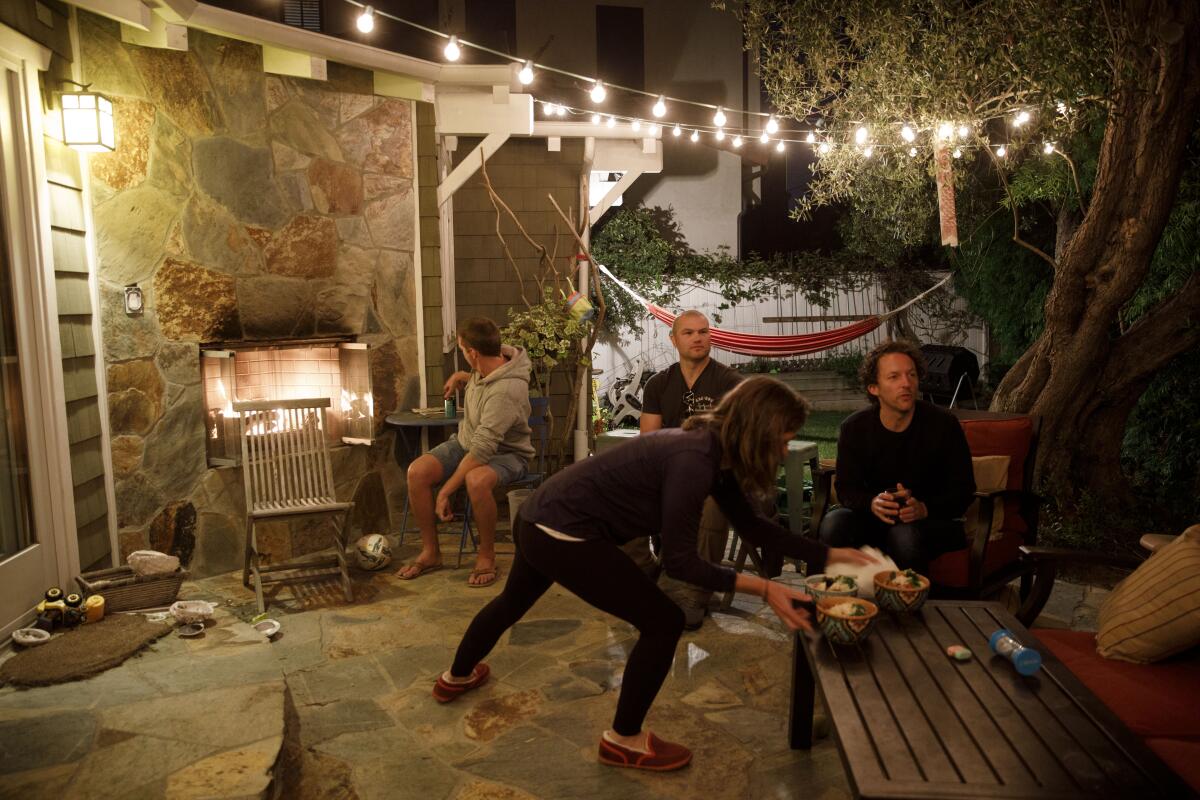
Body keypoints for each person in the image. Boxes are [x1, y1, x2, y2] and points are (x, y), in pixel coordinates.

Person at [431, 377, 874, 771]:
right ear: (759, 429)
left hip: (539, 517)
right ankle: (623, 740)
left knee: (513, 603)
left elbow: (754, 527)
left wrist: (832, 554)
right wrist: (764, 587)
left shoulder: (712, 448)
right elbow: (681, 563)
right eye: (783, 439)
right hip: (562, 531)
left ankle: (455, 678)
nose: (783, 449)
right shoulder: (694, 459)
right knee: (664, 622)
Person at [398, 317, 535, 587]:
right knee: (417, 472)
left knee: (476, 479)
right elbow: (483, 378)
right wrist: (463, 377)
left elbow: (483, 449)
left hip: (507, 455)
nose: (462, 355)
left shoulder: (507, 389)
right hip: (465, 442)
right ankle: (431, 552)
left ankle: (486, 555)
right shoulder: (486, 366)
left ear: (473, 353)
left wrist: (446, 491)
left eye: (462, 350)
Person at [817, 339, 975, 572]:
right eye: (894, 377)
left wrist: (924, 508)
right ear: (874, 388)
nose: (906, 383)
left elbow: (963, 490)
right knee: (834, 524)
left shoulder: (943, 425)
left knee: (904, 536)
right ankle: (838, 603)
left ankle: (909, 607)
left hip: (930, 522)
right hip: (873, 518)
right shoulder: (854, 428)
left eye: (911, 375)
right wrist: (873, 503)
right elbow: (846, 489)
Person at [637, 309, 743, 629]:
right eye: (689, 332)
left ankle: (696, 590)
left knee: (712, 502)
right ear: (674, 339)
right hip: (670, 469)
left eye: (703, 332)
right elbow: (649, 440)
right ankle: (651, 570)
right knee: (622, 495)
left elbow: (736, 443)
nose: (698, 338)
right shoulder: (659, 384)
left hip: (716, 472)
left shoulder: (729, 382)